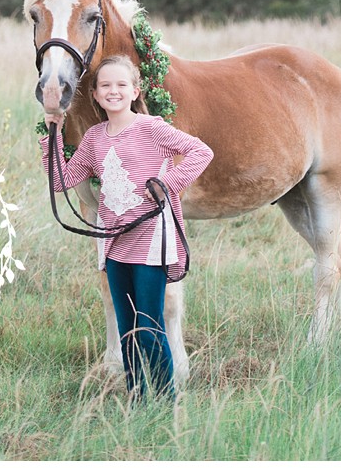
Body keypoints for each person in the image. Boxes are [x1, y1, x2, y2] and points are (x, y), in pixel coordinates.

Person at [41, 54, 213, 402]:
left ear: (135, 91)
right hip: (113, 241)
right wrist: (53, 131)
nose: (113, 91)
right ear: (95, 94)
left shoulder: (152, 127)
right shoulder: (93, 138)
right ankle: (137, 399)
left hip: (150, 238)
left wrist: (169, 183)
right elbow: (62, 179)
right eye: (105, 85)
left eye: (121, 85)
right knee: (128, 329)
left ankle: (167, 401)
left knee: (148, 325)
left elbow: (200, 152)